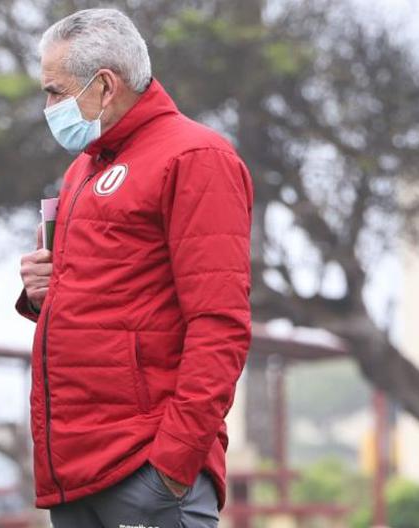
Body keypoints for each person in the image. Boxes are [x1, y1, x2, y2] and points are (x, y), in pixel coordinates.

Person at [17, 8, 253, 527]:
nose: (48, 106)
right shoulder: (85, 165)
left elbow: (220, 325)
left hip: (146, 471)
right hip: (75, 474)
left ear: (104, 86)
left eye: (55, 91)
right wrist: (42, 292)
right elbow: (109, 299)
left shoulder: (195, 157)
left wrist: (172, 463)